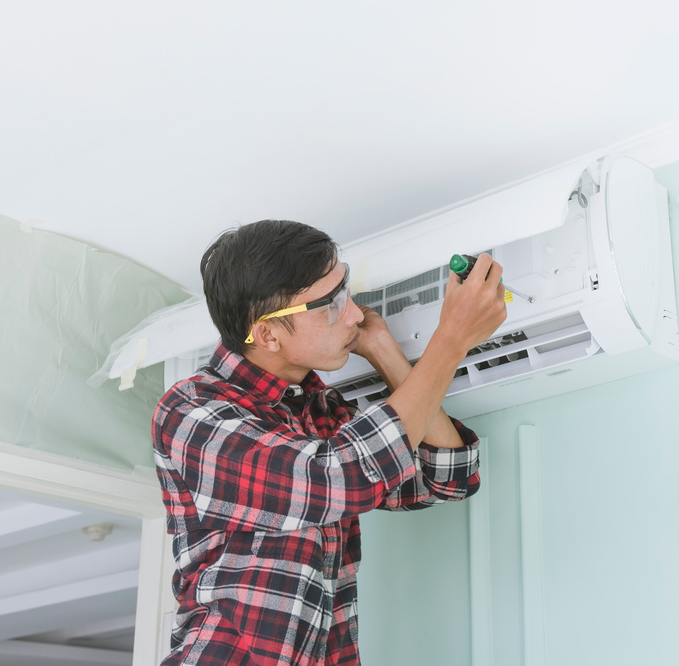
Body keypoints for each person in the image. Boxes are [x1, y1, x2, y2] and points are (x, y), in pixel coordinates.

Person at [152, 220, 507, 666]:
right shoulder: (191, 411)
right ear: (267, 334)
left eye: (347, 291)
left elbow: (447, 476)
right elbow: (336, 477)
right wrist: (450, 341)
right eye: (330, 304)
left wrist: (382, 349)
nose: (355, 313)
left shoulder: (318, 413)